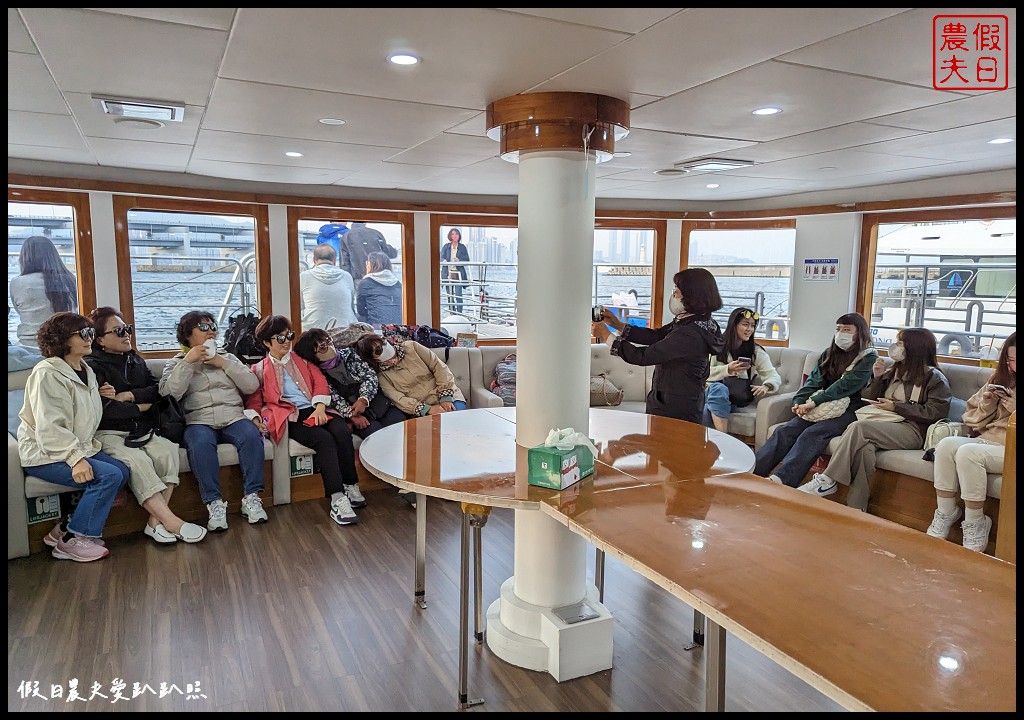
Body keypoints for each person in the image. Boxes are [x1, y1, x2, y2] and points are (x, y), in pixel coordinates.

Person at [85, 306, 207, 544]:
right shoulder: (92, 367)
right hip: (108, 432)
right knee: (137, 461)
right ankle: (173, 523)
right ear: (100, 339)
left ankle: (154, 523)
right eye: (118, 331)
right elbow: (102, 410)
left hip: (141, 429)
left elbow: (157, 391)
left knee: (168, 451)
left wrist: (128, 395)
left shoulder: (135, 359)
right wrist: (140, 406)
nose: (126, 334)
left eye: (127, 329)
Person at [797, 328, 951, 510]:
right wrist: (877, 378)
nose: (896, 347)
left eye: (901, 343)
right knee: (864, 450)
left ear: (915, 347)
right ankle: (857, 508)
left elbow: (936, 412)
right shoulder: (895, 370)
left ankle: (828, 479)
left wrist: (896, 407)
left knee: (858, 428)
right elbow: (867, 396)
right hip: (884, 424)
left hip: (914, 430)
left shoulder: (934, 377)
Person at [17, 312, 128, 562]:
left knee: (122, 471)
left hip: (78, 446)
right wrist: (75, 458)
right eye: (84, 334)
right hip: (46, 453)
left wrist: (98, 396)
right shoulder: (47, 373)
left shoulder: (84, 369)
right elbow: (50, 426)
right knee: (108, 476)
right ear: (62, 340)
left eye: (91, 333)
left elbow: (78, 412)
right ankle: (74, 540)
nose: (90, 338)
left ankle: (65, 528)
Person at [245, 315, 365, 526]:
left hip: (317, 407)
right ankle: (337, 499)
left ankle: (350, 484)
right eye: (280, 338)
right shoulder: (259, 370)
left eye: (289, 336)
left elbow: (320, 384)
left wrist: (319, 407)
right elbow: (254, 400)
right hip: (291, 416)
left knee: (341, 431)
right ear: (266, 342)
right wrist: (255, 419)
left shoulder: (304, 362)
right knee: (323, 440)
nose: (287, 341)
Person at [159, 311, 267, 531]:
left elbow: (251, 386)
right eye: (203, 327)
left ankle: (252, 498)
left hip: (233, 416)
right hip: (199, 420)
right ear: (188, 335)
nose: (211, 331)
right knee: (199, 445)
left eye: (212, 326)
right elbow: (169, 394)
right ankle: (214, 504)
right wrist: (188, 363)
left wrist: (223, 363)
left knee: (251, 436)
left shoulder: (228, 357)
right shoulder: (177, 362)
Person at [753, 313, 878, 487]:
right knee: (786, 430)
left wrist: (815, 402)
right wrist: (799, 401)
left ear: (860, 333)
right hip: (821, 404)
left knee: (813, 433)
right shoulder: (829, 353)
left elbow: (846, 385)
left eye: (847, 330)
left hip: (851, 408)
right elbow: (814, 380)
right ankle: (753, 472)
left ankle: (782, 480)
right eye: (838, 329)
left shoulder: (868, 357)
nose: (841, 333)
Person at [591, 268, 725, 424]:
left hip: (674, 408)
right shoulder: (700, 323)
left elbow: (643, 356)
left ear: (692, 295)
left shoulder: (690, 334)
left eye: (677, 289)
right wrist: (617, 324)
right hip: (681, 401)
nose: (673, 293)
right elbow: (655, 336)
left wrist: (606, 336)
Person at [927, 332, 1016, 552]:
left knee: (969, 453)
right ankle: (946, 511)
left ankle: (976, 521)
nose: (1013, 365)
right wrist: (988, 403)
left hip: (1011, 447)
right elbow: (971, 419)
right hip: (990, 441)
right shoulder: (1001, 379)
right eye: (1010, 360)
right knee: (946, 444)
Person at [293, 327, 407, 440]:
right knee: (375, 435)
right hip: (358, 415)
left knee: (402, 425)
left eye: (328, 341)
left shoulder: (350, 354)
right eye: (323, 347)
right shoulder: (319, 375)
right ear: (313, 355)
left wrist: (363, 399)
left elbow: (369, 375)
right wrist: (352, 416)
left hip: (381, 405)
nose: (330, 346)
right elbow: (335, 399)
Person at [703, 307, 782, 432]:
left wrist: (766, 386)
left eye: (752, 325)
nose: (749, 329)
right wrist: (727, 369)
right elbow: (703, 373)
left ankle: (711, 445)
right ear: (734, 325)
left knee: (706, 411)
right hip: (709, 393)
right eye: (745, 325)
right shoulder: (716, 347)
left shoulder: (755, 352)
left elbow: (773, 375)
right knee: (718, 389)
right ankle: (724, 440)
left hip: (734, 399)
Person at [354, 333, 467, 417]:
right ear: (373, 358)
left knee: (456, 420)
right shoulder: (381, 375)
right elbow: (398, 399)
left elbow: (439, 367)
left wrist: (446, 397)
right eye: (378, 350)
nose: (384, 348)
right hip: (423, 408)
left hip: (449, 395)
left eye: (383, 342)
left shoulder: (412, 347)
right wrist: (427, 409)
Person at [10, 235, 79, 349]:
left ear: (24, 258)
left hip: (30, 345)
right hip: (66, 345)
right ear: (54, 256)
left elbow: (19, 310)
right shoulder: (70, 279)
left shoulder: (17, 282)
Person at [299, 243, 356, 330]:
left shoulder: (304, 277)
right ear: (334, 260)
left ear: (314, 260)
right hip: (344, 331)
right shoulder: (347, 276)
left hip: (313, 333)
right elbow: (351, 306)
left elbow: (299, 307)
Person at [356, 251, 403, 325]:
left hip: (377, 326)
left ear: (371, 265)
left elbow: (361, 310)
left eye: (367, 263)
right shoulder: (397, 283)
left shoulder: (366, 283)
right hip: (398, 325)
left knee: (359, 318)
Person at [441, 227, 470, 315]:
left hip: (458, 274)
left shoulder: (462, 247)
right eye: (453, 234)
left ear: (459, 236)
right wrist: (444, 260)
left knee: (458, 295)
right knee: (450, 296)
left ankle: (459, 314)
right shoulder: (446, 246)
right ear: (450, 235)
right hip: (447, 274)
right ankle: (452, 315)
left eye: (456, 234)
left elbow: (467, 260)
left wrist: (459, 260)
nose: (454, 236)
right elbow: (441, 256)